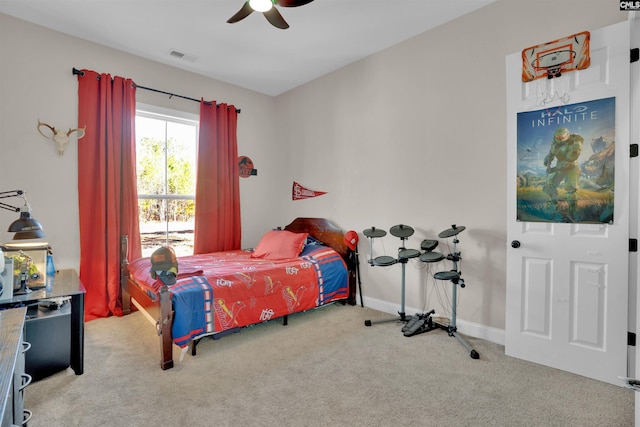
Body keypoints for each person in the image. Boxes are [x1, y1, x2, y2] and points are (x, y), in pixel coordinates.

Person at [542, 127, 584, 216]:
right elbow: (551, 152)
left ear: (567, 136)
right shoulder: (555, 142)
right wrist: (547, 159)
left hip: (571, 167)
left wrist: (555, 168)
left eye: (561, 138)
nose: (559, 139)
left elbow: (570, 159)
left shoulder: (575, 143)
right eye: (557, 137)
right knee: (550, 185)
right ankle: (554, 206)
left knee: (570, 190)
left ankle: (573, 211)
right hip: (559, 166)